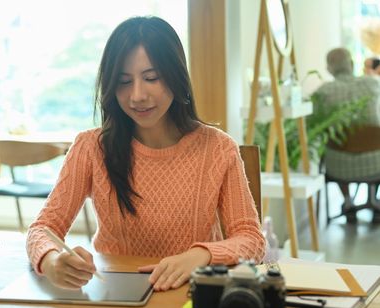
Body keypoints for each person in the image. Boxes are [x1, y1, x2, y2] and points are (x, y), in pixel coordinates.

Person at [26, 16, 265, 291]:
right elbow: (42, 229)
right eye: (124, 81)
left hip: (191, 297)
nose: (137, 95)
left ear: (177, 77)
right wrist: (53, 261)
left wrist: (200, 256)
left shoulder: (218, 148)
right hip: (115, 297)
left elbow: (252, 239)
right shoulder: (91, 147)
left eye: (152, 77)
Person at [313, 48, 380, 223]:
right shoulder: (373, 84)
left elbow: (316, 127)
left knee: (336, 145)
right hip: (375, 164)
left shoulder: (322, 93)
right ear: (351, 64)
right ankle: (373, 199)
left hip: (339, 165)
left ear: (329, 69)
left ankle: (348, 202)